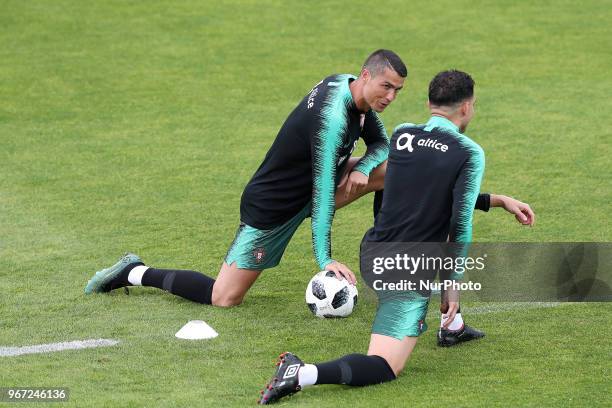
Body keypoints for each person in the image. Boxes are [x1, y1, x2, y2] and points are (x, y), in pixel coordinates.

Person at [84, 51, 533, 313]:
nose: (392, 98)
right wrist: (326, 260)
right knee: (224, 298)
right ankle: (134, 272)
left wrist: (361, 169)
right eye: (388, 88)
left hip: (326, 183)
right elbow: (319, 197)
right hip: (276, 205)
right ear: (370, 76)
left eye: (398, 91)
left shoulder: (352, 91)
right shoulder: (333, 120)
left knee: (396, 168)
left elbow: (385, 149)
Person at [258, 70, 501, 404]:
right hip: (404, 270)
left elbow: (416, 189)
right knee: (385, 365)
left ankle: (453, 327)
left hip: (373, 252)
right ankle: (301, 373)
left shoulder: (403, 135)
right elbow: (460, 226)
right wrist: (451, 284)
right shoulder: (469, 152)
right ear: (467, 107)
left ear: (429, 103)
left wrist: (496, 201)